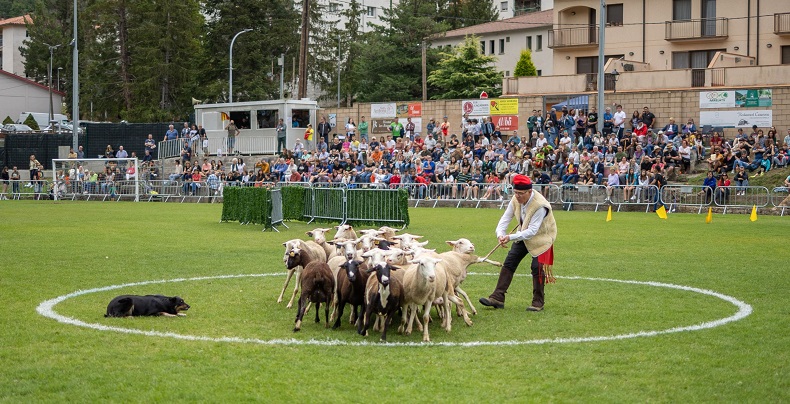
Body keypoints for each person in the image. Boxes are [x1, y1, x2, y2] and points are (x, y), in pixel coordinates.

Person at [479, 174, 557, 312]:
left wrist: (510, 237)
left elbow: (533, 231)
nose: (518, 196)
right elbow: (505, 218)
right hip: (522, 234)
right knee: (509, 262)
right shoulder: (515, 199)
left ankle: (538, 302)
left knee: (536, 267)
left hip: (542, 238)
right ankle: (497, 297)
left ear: (530, 191)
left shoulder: (540, 205)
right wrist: (501, 234)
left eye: (521, 194)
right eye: (516, 193)